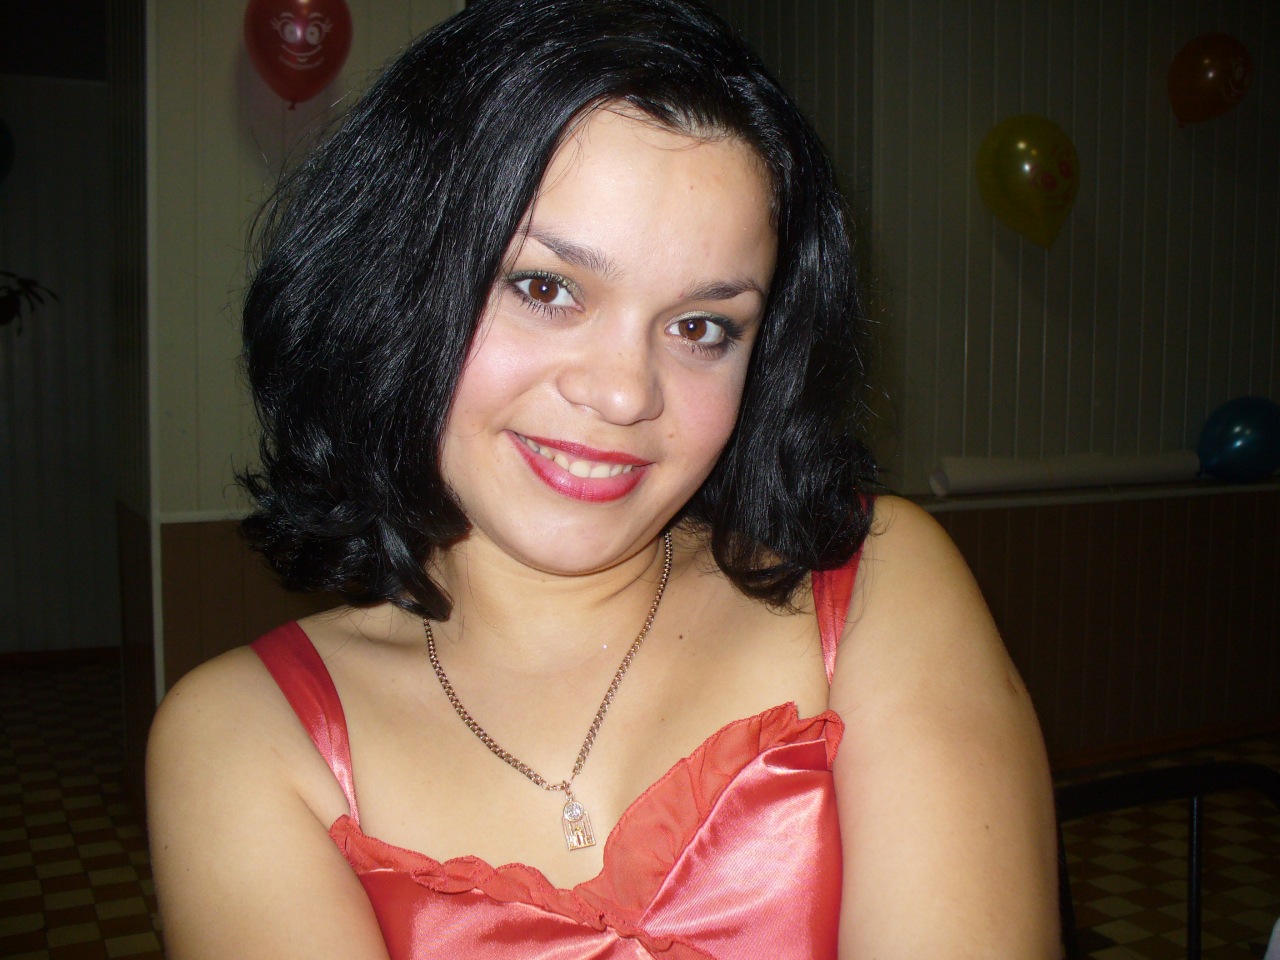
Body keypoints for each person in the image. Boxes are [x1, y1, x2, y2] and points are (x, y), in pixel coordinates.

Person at [146, 1, 1059, 957]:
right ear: (396, 281)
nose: (625, 394)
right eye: (545, 288)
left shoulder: (879, 589)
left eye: (701, 326)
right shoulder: (245, 738)